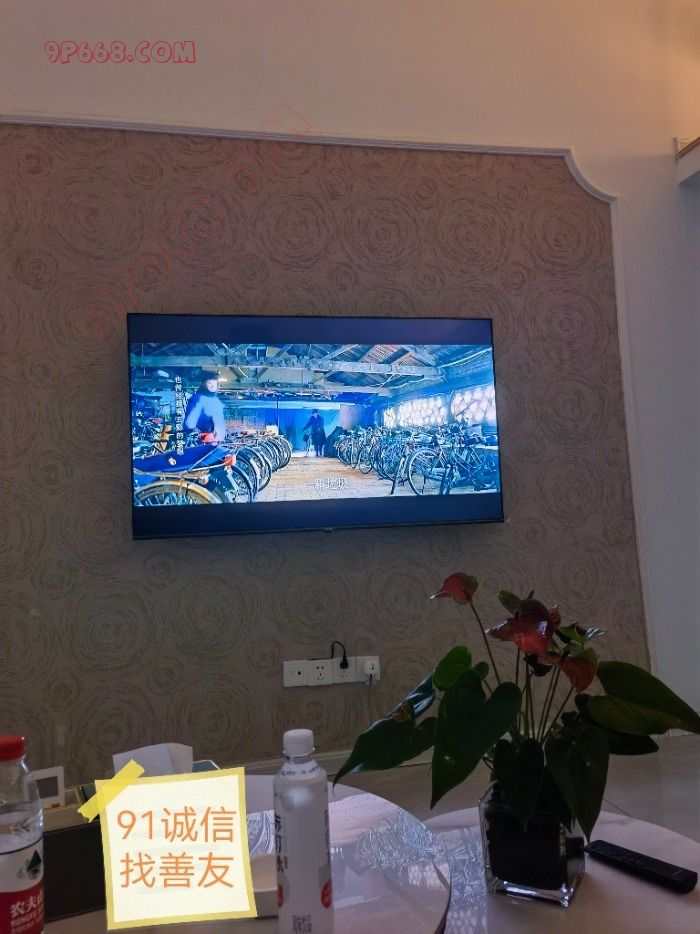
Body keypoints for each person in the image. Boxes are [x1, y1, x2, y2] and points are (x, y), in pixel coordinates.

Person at [183, 372, 226, 442]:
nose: (212, 386)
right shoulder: (197, 398)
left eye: (215, 384)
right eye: (209, 383)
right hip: (200, 438)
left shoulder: (216, 400)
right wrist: (196, 433)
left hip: (211, 438)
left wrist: (216, 434)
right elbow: (190, 422)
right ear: (204, 384)